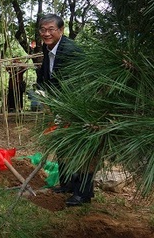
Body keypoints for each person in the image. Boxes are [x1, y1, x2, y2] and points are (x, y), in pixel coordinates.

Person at [36, 13, 92, 207]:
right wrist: (42, 91)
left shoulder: (69, 50)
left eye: (51, 29)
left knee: (79, 148)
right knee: (63, 143)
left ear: (61, 31)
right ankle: (67, 184)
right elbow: (47, 73)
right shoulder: (48, 47)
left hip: (80, 103)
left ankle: (83, 193)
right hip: (62, 102)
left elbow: (77, 81)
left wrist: (65, 109)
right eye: (43, 29)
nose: (46, 33)